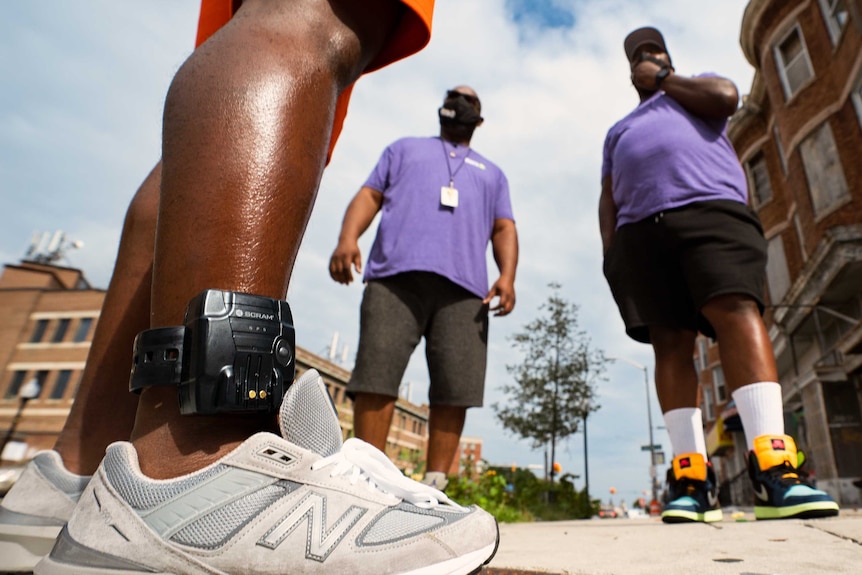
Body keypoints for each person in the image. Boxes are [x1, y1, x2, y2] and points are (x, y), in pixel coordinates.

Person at [0, 2, 503, 574]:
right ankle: (200, 462)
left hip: (460, 282)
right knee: (315, 18)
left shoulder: (489, 173)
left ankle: (81, 478)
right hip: (398, 272)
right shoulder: (406, 152)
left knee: (213, 139)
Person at [599, 26, 839, 524]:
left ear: (667, 58)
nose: (645, 56)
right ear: (627, 75)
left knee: (735, 309)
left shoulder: (694, 89)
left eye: (654, 50)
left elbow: (726, 97)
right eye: (637, 56)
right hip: (641, 231)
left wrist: (665, 77)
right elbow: (608, 194)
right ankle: (690, 479)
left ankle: (774, 469)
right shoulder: (618, 130)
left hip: (711, 209)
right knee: (670, 341)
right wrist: (612, 250)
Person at [329, 86, 518, 490]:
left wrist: (507, 275)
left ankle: (435, 488)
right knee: (377, 374)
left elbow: (504, 226)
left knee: (455, 385)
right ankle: (365, 482)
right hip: (395, 280)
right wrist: (348, 237)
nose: (459, 101)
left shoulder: (494, 174)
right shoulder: (403, 150)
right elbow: (369, 195)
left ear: (478, 119)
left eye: (469, 99)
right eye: (454, 95)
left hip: (465, 292)